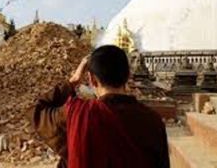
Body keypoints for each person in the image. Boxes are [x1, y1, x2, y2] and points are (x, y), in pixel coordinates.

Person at [30, 45, 170, 168]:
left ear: (91, 79)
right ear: (128, 76)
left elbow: (37, 111)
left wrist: (73, 81)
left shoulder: (77, 114)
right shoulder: (152, 120)